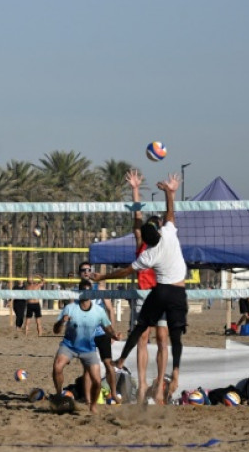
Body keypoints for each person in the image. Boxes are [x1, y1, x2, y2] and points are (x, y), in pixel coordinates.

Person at [92, 172, 188, 406]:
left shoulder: (154, 247)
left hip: (157, 293)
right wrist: (137, 189)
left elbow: (159, 218)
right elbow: (139, 218)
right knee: (144, 338)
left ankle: (158, 384)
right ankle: (143, 382)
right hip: (145, 294)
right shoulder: (145, 244)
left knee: (162, 339)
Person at [51, 278, 120, 413]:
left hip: (88, 348)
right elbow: (55, 330)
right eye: (83, 292)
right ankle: (59, 394)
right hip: (69, 345)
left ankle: (93, 405)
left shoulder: (98, 311)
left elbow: (107, 327)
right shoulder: (70, 308)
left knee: (97, 381)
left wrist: (114, 335)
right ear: (79, 293)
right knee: (57, 367)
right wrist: (61, 322)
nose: (86, 294)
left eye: (88, 292)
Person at [78, 262, 120, 403]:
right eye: (83, 270)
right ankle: (89, 400)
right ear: (80, 273)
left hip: (102, 333)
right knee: (87, 369)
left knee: (108, 364)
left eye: (89, 270)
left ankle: (114, 394)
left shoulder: (100, 288)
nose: (86, 272)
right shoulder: (76, 291)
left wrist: (111, 332)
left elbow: (110, 310)